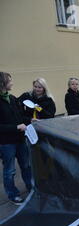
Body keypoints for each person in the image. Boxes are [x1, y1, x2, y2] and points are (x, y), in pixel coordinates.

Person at [0, 72, 32, 205]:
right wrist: (16, 127)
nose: (12, 83)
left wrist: (30, 120)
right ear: (3, 83)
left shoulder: (12, 98)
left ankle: (32, 188)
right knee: (10, 170)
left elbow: (19, 117)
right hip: (6, 143)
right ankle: (13, 195)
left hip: (20, 140)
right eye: (10, 81)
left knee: (26, 165)